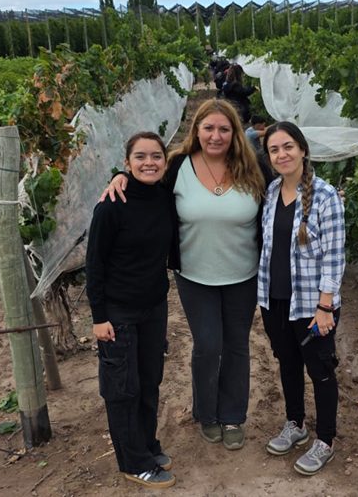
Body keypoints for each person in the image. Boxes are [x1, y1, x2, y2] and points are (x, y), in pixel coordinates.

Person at [103, 99, 274, 451]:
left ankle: (232, 415)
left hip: (243, 275)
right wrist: (120, 176)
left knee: (236, 345)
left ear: (235, 132)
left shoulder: (253, 165)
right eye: (208, 128)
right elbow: (145, 180)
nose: (216, 136)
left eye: (224, 129)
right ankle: (206, 412)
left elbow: (284, 189)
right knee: (208, 345)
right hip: (195, 275)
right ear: (196, 130)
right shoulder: (178, 165)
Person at [86, 132, 176, 488]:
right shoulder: (111, 205)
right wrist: (98, 317)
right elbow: (95, 264)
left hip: (154, 307)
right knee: (123, 389)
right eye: (140, 156)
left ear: (165, 161)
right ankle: (134, 463)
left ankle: (147, 445)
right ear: (127, 163)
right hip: (118, 312)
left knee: (149, 381)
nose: (149, 162)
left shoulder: (164, 197)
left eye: (156, 156)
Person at [257, 121, 345, 476]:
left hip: (312, 305)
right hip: (276, 300)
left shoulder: (325, 196)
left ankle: (325, 439)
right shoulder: (271, 191)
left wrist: (326, 306)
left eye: (288, 147)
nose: (282, 154)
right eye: (274, 150)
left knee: (320, 371)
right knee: (288, 364)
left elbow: (335, 257)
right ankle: (295, 423)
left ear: (303, 150)